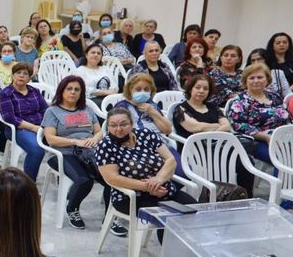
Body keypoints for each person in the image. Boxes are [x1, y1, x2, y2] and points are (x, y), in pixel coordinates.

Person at [97, 107, 196, 241]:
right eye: (113, 125)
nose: (119, 129)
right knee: (170, 220)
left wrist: (158, 180)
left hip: (163, 189)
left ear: (132, 123)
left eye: (124, 124)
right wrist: (148, 187)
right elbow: (113, 178)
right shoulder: (105, 145)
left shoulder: (145, 134)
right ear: (108, 126)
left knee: (195, 211)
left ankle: (191, 252)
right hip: (130, 197)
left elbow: (170, 159)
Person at [43, 76, 116, 233]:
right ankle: (72, 208)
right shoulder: (52, 111)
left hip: (89, 151)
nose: (73, 92)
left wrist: (94, 139)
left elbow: (99, 132)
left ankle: (110, 218)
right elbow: (50, 139)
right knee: (84, 180)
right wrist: (75, 142)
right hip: (63, 153)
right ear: (61, 91)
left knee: (112, 178)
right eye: (69, 89)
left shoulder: (87, 109)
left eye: (77, 89)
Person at [227, 63, 293, 164]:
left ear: (267, 80)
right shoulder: (239, 102)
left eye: (260, 77)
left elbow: (286, 117)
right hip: (257, 141)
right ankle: (280, 180)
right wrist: (266, 137)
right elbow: (238, 125)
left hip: (281, 137)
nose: (256, 81)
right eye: (252, 78)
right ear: (245, 81)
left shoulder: (274, 96)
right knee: (283, 160)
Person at [0, 62, 48, 182]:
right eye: (18, 73)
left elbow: (45, 110)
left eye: (25, 74)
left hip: (41, 126)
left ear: (29, 77)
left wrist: (46, 126)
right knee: (37, 149)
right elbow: (9, 118)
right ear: (13, 75)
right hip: (18, 129)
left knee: (64, 142)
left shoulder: (34, 91)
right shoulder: (6, 93)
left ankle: (61, 175)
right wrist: (33, 128)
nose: (21, 76)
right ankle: (29, 182)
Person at [172, 74, 233, 140]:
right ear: (190, 89)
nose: (201, 91)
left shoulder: (213, 107)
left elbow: (227, 126)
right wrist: (217, 126)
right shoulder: (180, 108)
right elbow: (196, 127)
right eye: (198, 87)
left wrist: (212, 136)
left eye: (205, 89)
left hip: (216, 144)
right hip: (192, 146)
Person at [115, 73, 174, 138]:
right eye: (138, 89)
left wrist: (152, 112)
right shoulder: (122, 107)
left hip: (158, 140)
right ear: (130, 90)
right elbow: (118, 132)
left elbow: (168, 130)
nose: (142, 92)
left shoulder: (152, 105)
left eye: (146, 89)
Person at [208, 44, 244, 108]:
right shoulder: (214, 74)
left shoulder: (243, 74)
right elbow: (229, 94)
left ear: (239, 59)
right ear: (221, 58)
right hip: (219, 109)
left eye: (233, 56)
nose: (229, 58)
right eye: (225, 55)